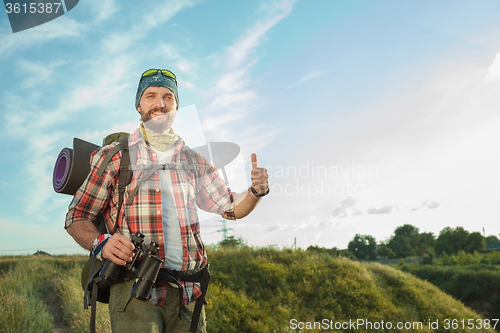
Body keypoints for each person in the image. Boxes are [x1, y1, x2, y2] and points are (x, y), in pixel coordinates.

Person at [64, 68, 269, 333]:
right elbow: (77, 216)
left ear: (175, 107)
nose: (159, 103)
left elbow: (230, 207)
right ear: (139, 105)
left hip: (189, 294)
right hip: (134, 293)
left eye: (168, 97)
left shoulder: (194, 161)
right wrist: (99, 243)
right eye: (150, 96)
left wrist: (255, 192)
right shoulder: (116, 157)